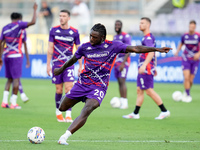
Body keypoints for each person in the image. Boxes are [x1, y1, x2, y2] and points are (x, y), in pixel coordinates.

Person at [53, 23, 171, 145]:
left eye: (94, 37)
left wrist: (157, 49)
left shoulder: (113, 46)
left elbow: (136, 49)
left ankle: (64, 137)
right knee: (62, 107)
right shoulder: (84, 47)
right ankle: (73, 104)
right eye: (90, 36)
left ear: (103, 37)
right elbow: (73, 59)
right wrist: (60, 70)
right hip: (82, 84)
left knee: (87, 109)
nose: (91, 39)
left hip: (99, 86)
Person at [123, 17, 170, 120]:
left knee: (148, 90)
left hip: (146, 67)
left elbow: (151, 52)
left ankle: (164, 111)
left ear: (148, 25)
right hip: (148, 66)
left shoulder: (148, 38)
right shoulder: (147, 37)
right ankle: (136, 113)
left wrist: (144, 65)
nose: (140, 25)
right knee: (139, 90)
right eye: (140, 23)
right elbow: (154, 52)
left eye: (142, 23)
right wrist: (155, 66)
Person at [46, 9, 82, 123]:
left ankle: (68, 114)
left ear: (69, 18)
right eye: (60, 16)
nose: (61, 18)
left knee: (69, 88)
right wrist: (48, 65)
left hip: (69, 64)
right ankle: (58, 111)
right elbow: (50, 48)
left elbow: (79, 50)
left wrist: (81, 66)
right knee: (58, 90)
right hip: (56, 64)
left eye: (64, 16)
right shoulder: (54, 30)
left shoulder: (74, 32)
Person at [0, 3, 37, 109]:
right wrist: (35, 10)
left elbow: (1, 42)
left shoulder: (5, 28)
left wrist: (0, 56)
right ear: (19, 19)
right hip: (16, 55)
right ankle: (13, 103)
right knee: (16, 79)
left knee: (9, 79)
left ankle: (4, 102)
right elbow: (33, 22)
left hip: (6, 56)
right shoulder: (20, 26)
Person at [174, 20, 200, 103]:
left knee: (191, 80)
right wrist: (177, 51)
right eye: (190, 26)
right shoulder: (184, 35)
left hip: (195, 59)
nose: (191, 28)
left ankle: (186, 91)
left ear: (195, 27)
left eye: (193, 27)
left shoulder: (198, 36)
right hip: (186, 58)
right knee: (186, 77)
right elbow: (181, 43)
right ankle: (188, 95)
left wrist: (198, 54)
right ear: (189, 26)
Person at [113, 20, 131, 109]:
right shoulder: (115, 37)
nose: (117, 26)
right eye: (116, 25)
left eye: (118, 25)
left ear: (121, 26)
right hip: (116, 62)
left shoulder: (125, 36)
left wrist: (123, 63)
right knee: (119, 82)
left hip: (123, 62)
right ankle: (122, 100)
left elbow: (129, 50)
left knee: (122, 81)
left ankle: (125, 102)